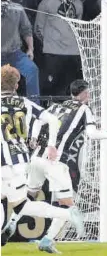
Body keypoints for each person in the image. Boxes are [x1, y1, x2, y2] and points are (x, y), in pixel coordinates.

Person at [3, 79, 107, 253]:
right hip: (55, 162)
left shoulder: (56, 106)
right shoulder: (84, 109)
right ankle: (48, 239)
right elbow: (91, 133)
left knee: (27, 197)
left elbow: (38, 122)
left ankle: (11, 224)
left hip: (35, 159)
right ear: (85, 93)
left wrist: (34, 138)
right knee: (67, 204)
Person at [0, 65, 84, 246]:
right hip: (21, 160)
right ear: (16, 85)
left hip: (4, 162)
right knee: (14, 202)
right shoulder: (26, 103)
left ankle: (68, 213)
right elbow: (53, 120)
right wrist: (51, 145)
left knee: (22, 205)